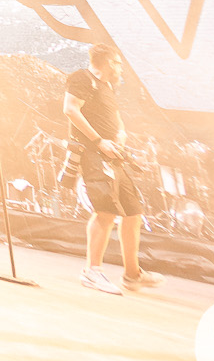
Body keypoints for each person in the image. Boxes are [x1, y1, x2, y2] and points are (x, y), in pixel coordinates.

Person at [62, 44, 160, 294]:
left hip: (113, 157)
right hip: (93, 155)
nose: (120, 68)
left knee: (133, 212)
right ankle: (92, 272)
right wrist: (98, 141)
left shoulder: (106, 87)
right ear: (107, 63)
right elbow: (70, 109)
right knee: (105, 211)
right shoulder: (82, 78)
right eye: (117, 63)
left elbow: (115, 118)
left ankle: (132, 275)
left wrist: (121, 133)